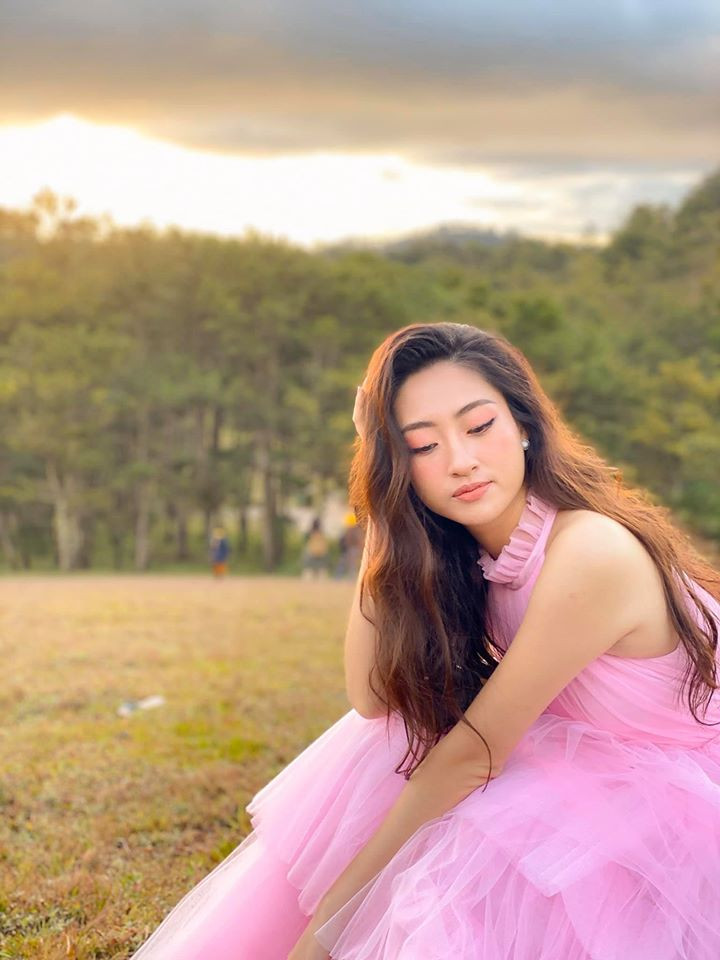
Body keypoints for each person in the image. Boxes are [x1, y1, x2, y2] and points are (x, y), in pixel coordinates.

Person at [130, 322, 720, 959]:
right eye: (422, 445)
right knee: (388, 742)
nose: (460, 461)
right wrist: (384, 506)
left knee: (473, 825)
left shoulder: (590, 551)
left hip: (675, 798)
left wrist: (328, 929)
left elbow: (475, 754)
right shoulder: (471, 555)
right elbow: (372, 697)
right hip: (587, 758)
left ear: (524, 424)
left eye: (479, 426)